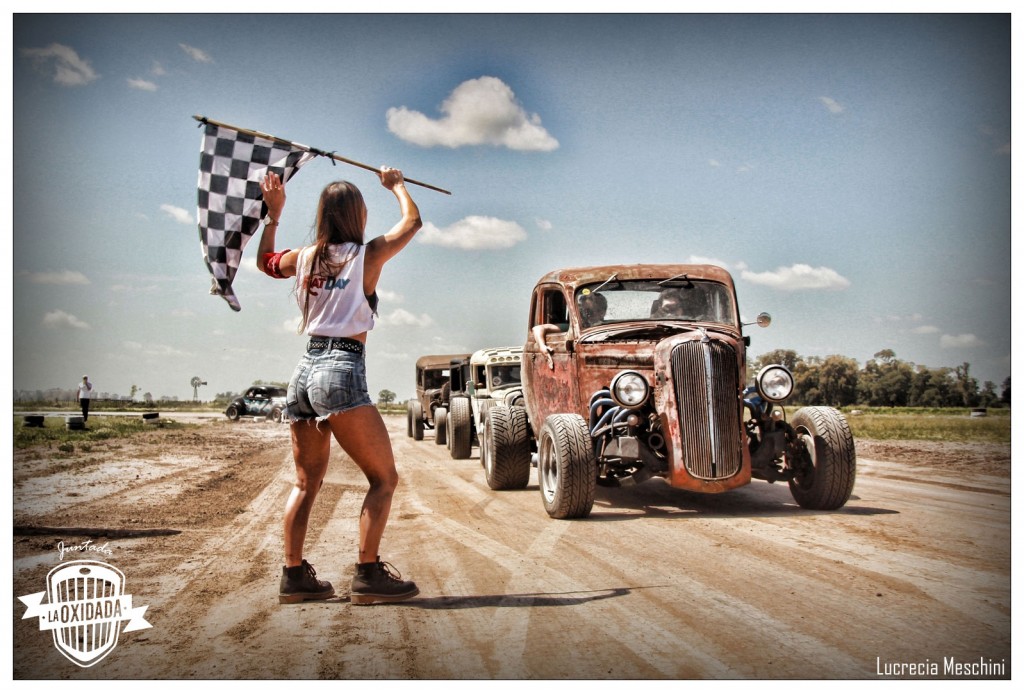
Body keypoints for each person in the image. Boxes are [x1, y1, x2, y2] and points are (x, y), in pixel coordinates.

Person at [256, 166, 422, 606]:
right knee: (383, 479)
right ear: (358, 215)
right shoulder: (366, 255)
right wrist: (397, 185)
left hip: (303, 371)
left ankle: (294, 578)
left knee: (305, 483)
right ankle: (368, 575)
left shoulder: (305, 257)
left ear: (323, 215)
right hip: (341, 367)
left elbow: (266, 263)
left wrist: (274, 216)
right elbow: (412, 222)